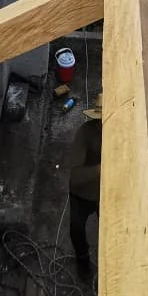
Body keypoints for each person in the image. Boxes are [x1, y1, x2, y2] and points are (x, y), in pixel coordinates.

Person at [67, 95, 102, 272]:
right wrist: (99, 169)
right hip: (82, 194)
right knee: (76, 229)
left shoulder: (121, 133)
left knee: (114, 230)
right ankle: (82, 260)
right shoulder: (85, 133)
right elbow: (75, 177)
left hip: (106, 194)